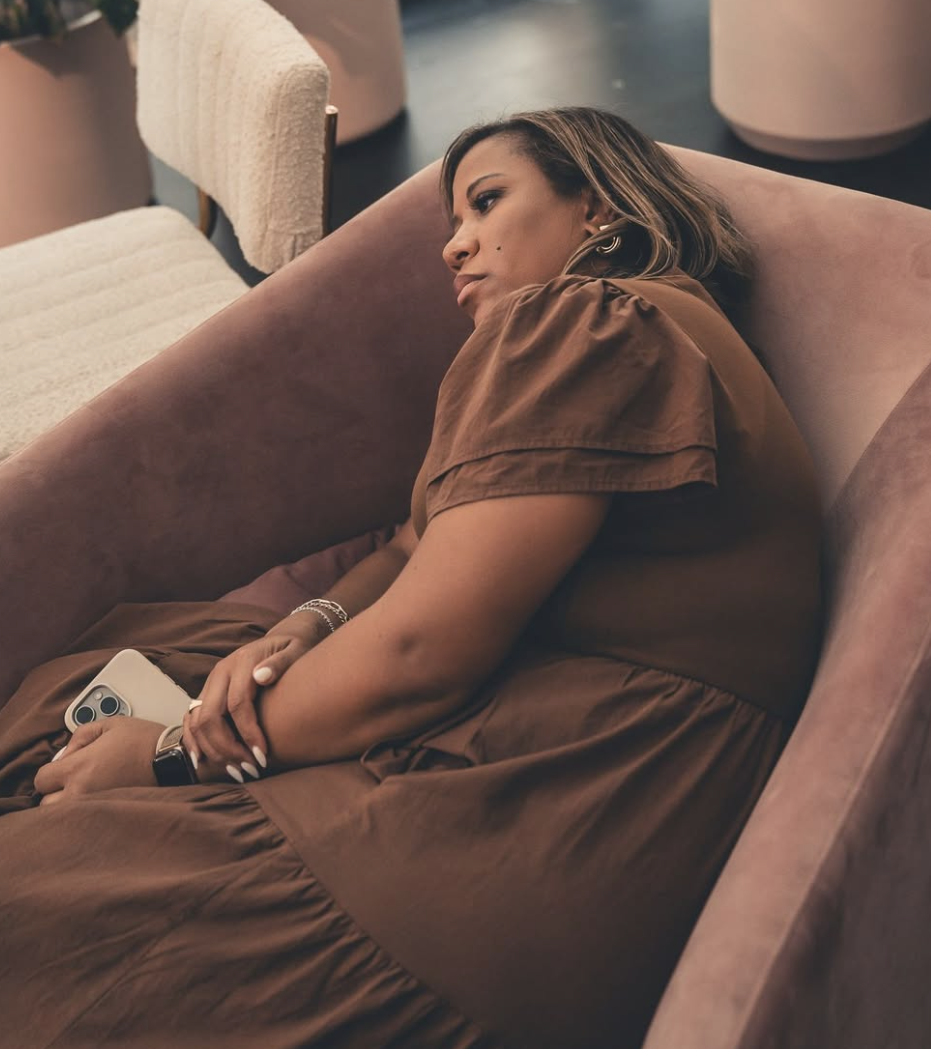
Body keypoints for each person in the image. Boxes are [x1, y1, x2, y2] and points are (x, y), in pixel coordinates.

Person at [0, 107, 822, 1049]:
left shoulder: (595, 322)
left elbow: (422, 653)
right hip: (566, 788)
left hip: (544, 810)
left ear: (595, 207)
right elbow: (413, 544)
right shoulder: (625, 336)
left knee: (45, 888)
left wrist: (171, 757)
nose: (454, 248)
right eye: (451, 224)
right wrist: (308, 621)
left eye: (485, 203)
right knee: (114, 679)